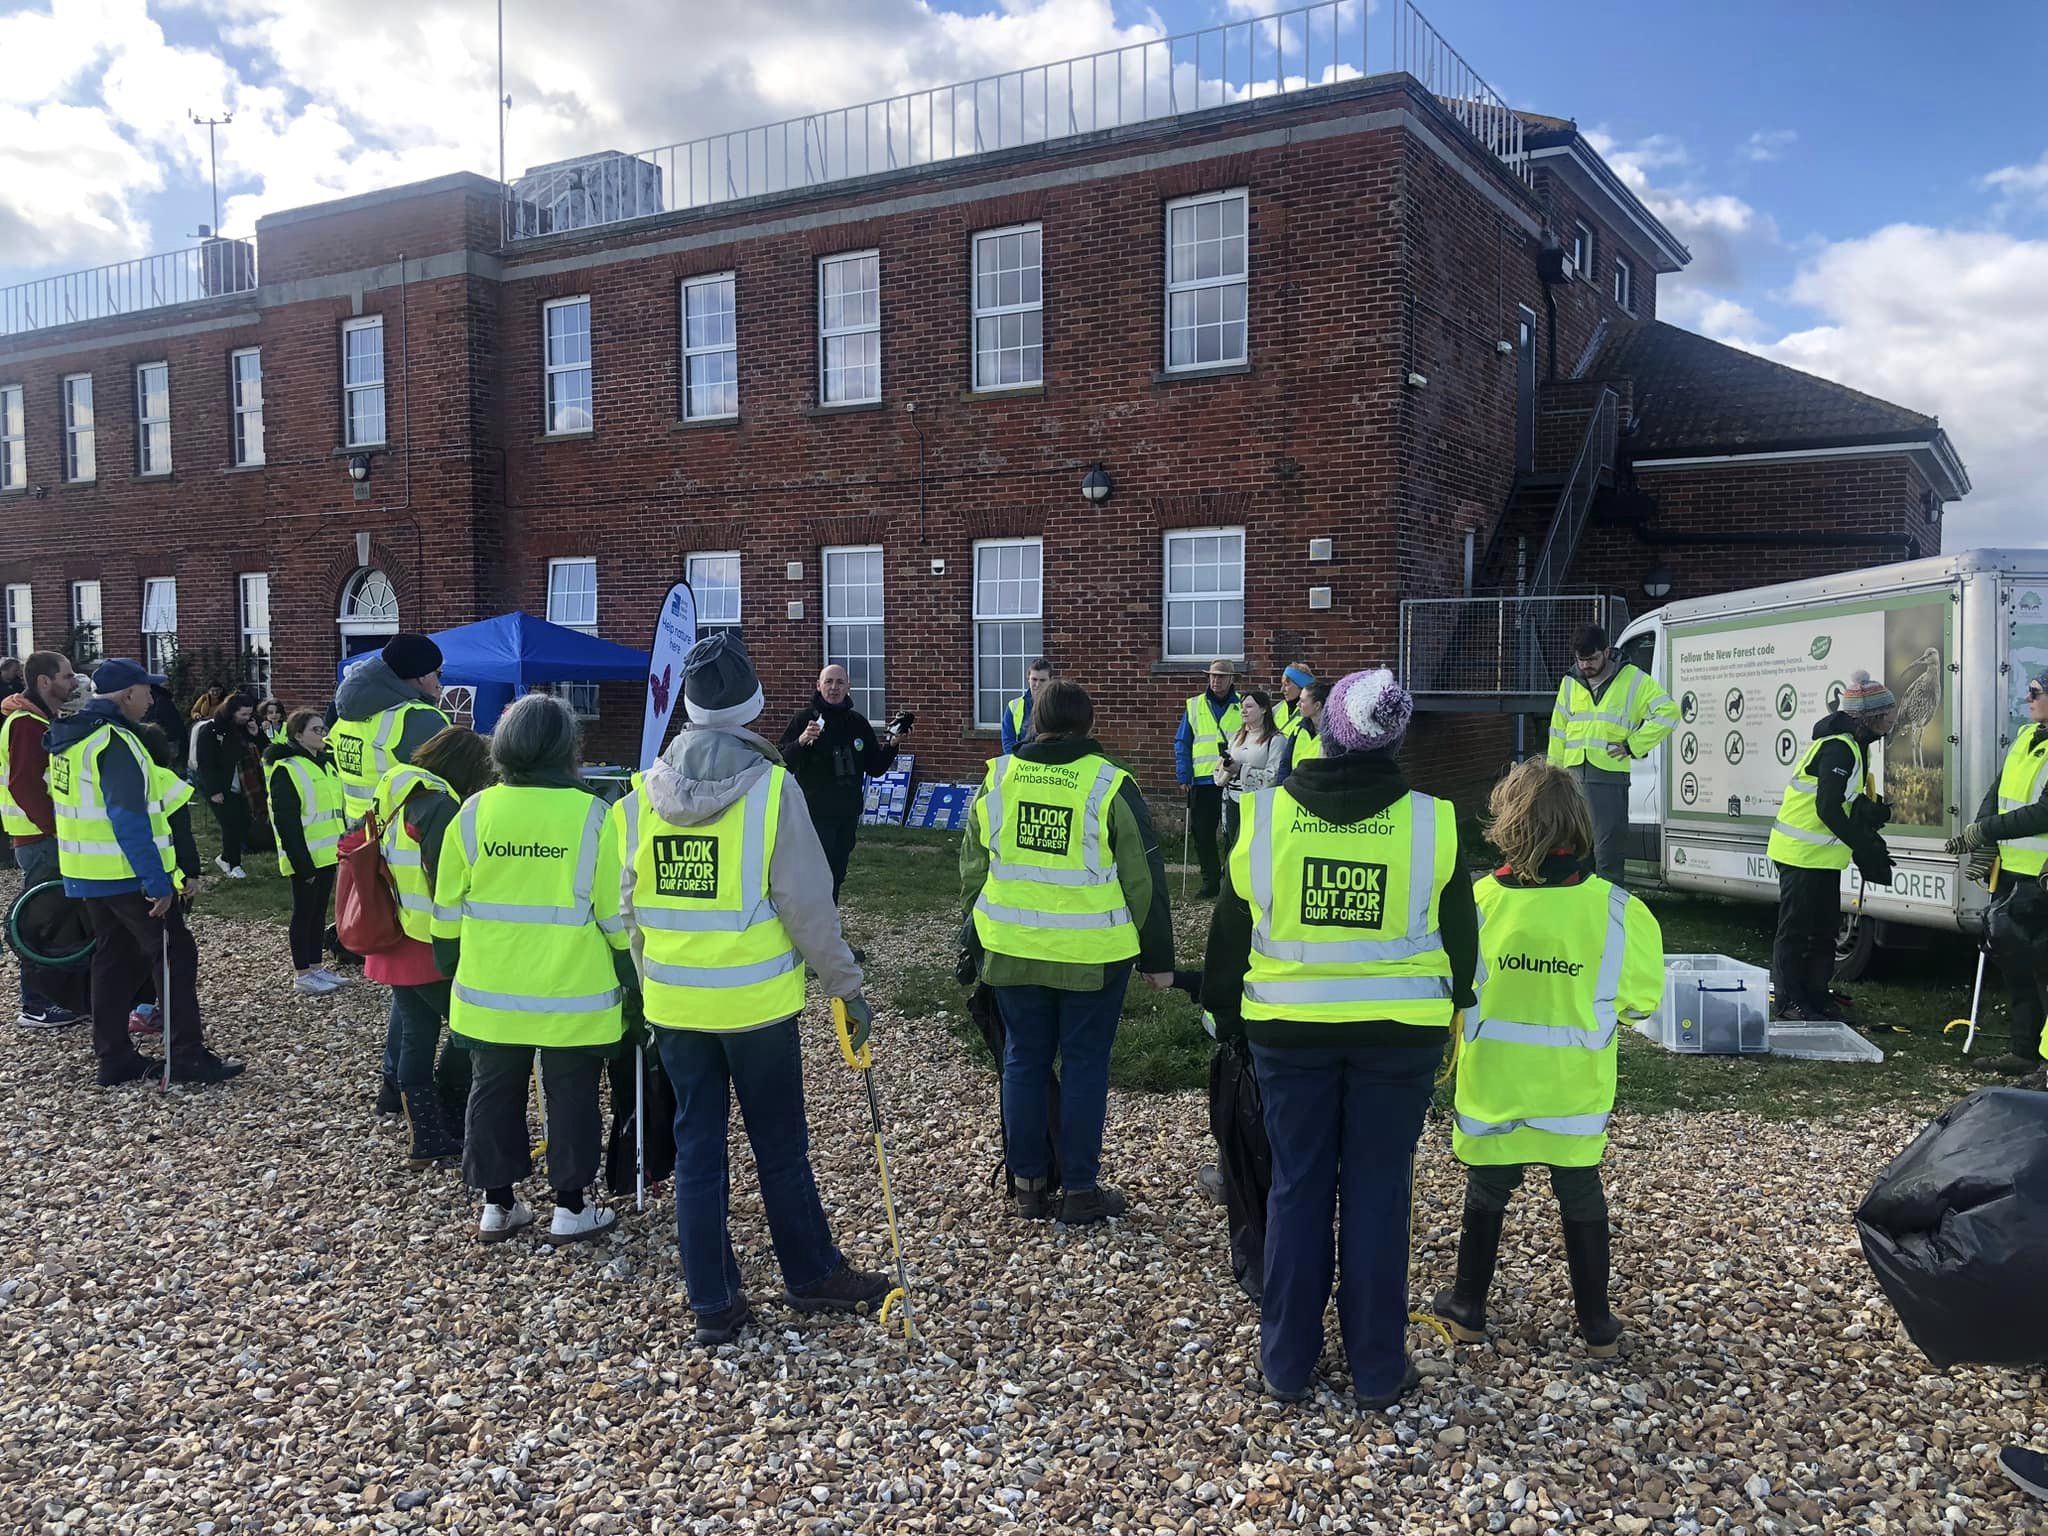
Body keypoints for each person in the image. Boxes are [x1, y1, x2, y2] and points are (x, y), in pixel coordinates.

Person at [1202, 667, 1479, 1410]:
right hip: (1400, 1037)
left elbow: (1232, 927)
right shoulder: (1434, 821)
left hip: (1288, 1032)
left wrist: (1221, 1012)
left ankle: (1287, 1363)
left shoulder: (1264, 818)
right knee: (1378, 1193)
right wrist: (1463, 1002)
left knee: (1297, 1189)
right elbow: (1461, 937)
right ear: (1394, 738)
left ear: (1326, 732)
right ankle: (1378, 1369)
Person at [615, 631, 893, 1342]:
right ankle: (810, 1273)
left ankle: (713, 1301)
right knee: (779, 1144)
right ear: (754, 705)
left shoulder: (639, 796)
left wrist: (653, 988)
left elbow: (630, 907)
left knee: (698, 1148)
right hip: (757, 1010)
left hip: (676, 1007)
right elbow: (808, 905)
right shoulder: (773, 790)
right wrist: (847, 988)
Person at [1431, 758, 1664, 1358]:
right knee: (1581, 1193)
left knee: (1487, 1191)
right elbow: (1640, 1003)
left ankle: (1467, 1308)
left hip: (1494, 1092)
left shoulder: (1476, 903)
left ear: (1507, 823)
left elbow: (1445, 989)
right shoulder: (1617, 911)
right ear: (1580, 824)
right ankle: (1596, 1326)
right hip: (1573, 1099)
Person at [963, 678, 1175, 1224]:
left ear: (1035, 720)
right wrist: (1156, 958)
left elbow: (972, 866)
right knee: (1085, 1065)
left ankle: (1027, 1184)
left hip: (1011, 951)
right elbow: (1143, 875)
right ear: (1090, 724)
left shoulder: (1000, 778)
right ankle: (1080, 1189)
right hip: (1093, 958)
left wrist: (971, 933)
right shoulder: (1109, 783)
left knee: (1022, 1061)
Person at [431, 693, 631, 1245]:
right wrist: (630, 978)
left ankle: (497, 1205)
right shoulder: (595, 815)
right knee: (572, 1099)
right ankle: (571, 1206)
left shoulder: (472, 813)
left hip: (490, 994)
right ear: (569, 748)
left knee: (492, 1092)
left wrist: (452, 967)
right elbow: (614, 917)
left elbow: (444, 914)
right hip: (576, 996)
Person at [46, 659, 244, 1086]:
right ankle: (186, 1055)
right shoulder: (114, 742)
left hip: (87, 872)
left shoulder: (71, 738)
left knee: (113, 959)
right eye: (146, 689)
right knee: (174, 954)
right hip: (125, 873)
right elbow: (128, 817)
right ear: (126, 694)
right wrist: (157, 881)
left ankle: (114, 1057)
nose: (152, 698)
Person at [371, 725, 492, 1164]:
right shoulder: (440, 805)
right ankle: (451, 1113)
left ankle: (426, 1135)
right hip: (432, 937)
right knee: (468, 1029)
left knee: (417, 1035)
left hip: (396, 930)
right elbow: (450, 880)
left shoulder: (395, 787)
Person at [1766, 671, 1897, 1022]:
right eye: (1886, 713)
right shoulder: (1838, 747)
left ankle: (1815, 995)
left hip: (1821, 856)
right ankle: (1788, 1001)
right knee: (1796, 931)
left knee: (1824, 930)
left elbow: (1841, 800)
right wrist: (1862, 846)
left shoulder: (1854, 745)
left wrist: (1866, 812)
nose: (1891, 719)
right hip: (1799, 854)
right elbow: (1826, 807)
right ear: (1867, 717)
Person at [1945, 667, 2048, 1078]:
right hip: (2009, 875)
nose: (2029, 697)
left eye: (2037, 691)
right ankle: (2022, 1050)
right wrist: (1983, 835)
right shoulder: (2026, 736)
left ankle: (2043, 1060)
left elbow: (2044, 812)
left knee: (2043, 971)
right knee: (2016, 966)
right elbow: (1998, 790)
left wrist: (1986, 830)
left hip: (2041, 879)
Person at [1545, 625, 1679, 884]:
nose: (1586, 665)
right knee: (1575, 852)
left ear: (1606, 652)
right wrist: (1553, 775)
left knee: (1607, 854)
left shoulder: (1633, 680)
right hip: (1571, 777)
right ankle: (1579, 914)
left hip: (1608, 776)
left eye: (1592, 658)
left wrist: (1633, 745)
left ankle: (1611, 914)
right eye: (1580, 659)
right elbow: (1558, 729)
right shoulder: (1570, 682)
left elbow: (1669, 713)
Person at [3, 652, 84, 1028]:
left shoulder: (39, 719)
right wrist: (54, 826)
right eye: (67, 677)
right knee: (41, 922)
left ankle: (54, 998)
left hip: (37, 835)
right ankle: (35, 1004)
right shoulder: (28, 725)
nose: (74, 683)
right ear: (43, 682)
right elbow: (24, 782)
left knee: (57, 918)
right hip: (38, 837)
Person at [778, 664, 904, 903]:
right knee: (815, 875)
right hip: (814, 814)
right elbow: (782, 763)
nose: (834, 687)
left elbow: (875, 767)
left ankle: (828, 925)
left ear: (848, 687)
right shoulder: (804, 720)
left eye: (839, 682)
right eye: (828, 682)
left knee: (836, 873)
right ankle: (811, 929)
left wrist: (892, 745)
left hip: (846, 813)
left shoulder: (857, 723)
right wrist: (802, 741)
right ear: (818, 685)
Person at [264, 709, 348, 996]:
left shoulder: (326, 765)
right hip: (306, 858)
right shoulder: (286, 769)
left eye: (322, 729)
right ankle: (302, 972)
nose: (322, 734)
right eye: (315, 730)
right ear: (297, 735)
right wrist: (302, 863)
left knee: (318, 913)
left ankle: (315, 966)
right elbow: (286, 821)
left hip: (327, 854)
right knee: (303, 914)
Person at [330, 633, 451, 827]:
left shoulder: (347, 712)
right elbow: (457, 777)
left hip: (359, 835)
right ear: (422, 676)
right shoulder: (418, 717)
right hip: (403, 839)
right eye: (438, 673)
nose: (440, 683)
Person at [1175, 659, 1243, 899]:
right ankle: (1210, 881)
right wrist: (1184, 773)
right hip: (1203, 781)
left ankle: (1230, 881)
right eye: (1213, 676)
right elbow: (1182, 741)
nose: (1216, 680)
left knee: (1232, 834)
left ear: (1231, 679)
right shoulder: (1194, 705)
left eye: (1221, 676)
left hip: (1233, 780)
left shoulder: (1243, 705)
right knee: (1202, 833)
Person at [193, 691, 260, 878]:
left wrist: (256, 734)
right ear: (231, 712)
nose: (247, 718)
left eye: (250, 714)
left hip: (243, 785)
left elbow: (262, 750)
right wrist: (214, 790)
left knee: (244, 821)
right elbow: (205, 763)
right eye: (243, 714)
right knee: (230, 824)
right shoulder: (212, 731)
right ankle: (233, 864)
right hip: (220, 785)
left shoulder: (246, 729)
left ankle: (225, 857)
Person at [1216, 689, 1282, 851]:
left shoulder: (1276, 739)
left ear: (1264, 709)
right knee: (1233, 847)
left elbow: (1273, 776)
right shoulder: (1236, 737)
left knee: (1254, 848)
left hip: (1258, 804)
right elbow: (1218, 771)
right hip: (1232, 800)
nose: (1244, 711)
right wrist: (1227, 769)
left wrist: (1241, 770)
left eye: (1250, 706)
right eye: (1242, 707)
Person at [1275, 680, 1328, 785]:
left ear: (1317, 705)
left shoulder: (1333, 735)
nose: (1298, 704)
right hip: (1295, 787)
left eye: (1302, 701)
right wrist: (1281, 787)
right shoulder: (1298, 729)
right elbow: (1285, 764)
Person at [1001, 658, 1055, 754]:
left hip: (1050, 764)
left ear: (1050, 680)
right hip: (1021, 764)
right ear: (1028, 679)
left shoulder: (1058, 706)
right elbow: (1008, 743)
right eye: (1034, 679)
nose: (1037, 684)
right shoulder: (1013, 706)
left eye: (1042, 680)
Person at [1273, 663, 1315, 737]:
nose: (1282, 690)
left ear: (1301, 686)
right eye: (1282, 685)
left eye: (1286, 684)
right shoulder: (1276, 710)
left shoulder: (1312, 713)